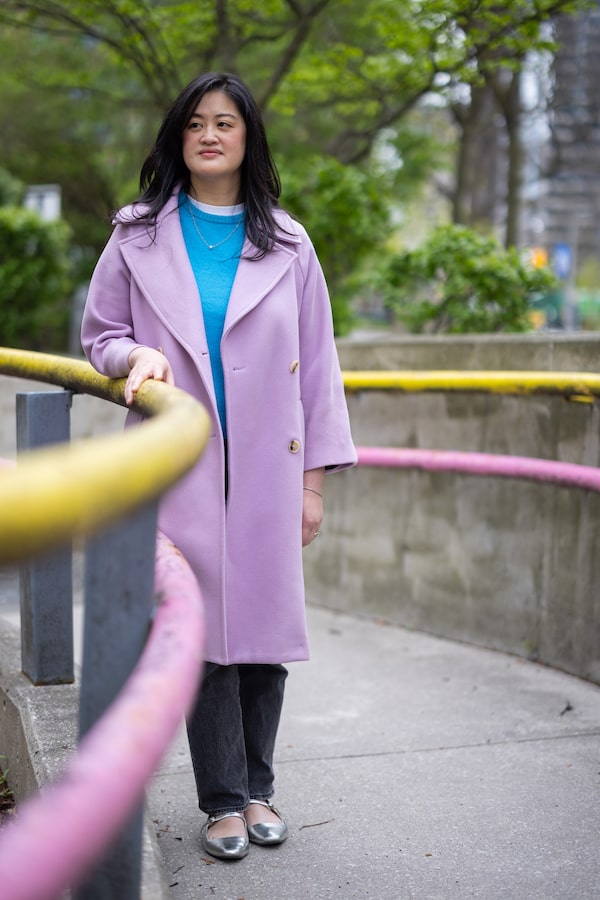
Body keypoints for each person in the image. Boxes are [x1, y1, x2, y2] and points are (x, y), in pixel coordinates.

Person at [81, 72, 356, 862]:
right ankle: (223, 802)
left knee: (263, 637)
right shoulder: (135, 236)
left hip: (271, 471)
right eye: (196, 122)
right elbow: (99, 335)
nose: (209, 134)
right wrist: (135, 352)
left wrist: (313, 486)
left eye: (225, 123)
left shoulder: (290, 244)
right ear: (178, 137)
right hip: (178, 467)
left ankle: (261, 786)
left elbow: (321, 368)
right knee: (202, 635)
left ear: (247, 139)